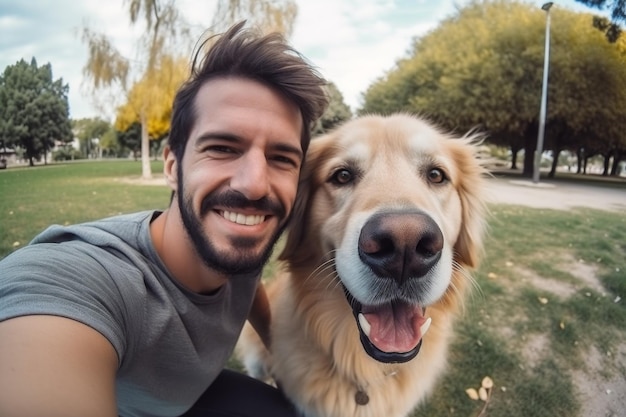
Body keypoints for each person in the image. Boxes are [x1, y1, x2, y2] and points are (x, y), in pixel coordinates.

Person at [0, 21, 328, 417]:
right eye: (223, 147)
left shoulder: (237, 246)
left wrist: (279, 350)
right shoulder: (80, 280)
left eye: (281, 158)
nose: (255, 185)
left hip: (193, 394)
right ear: (172, 166)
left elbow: (249, 283)